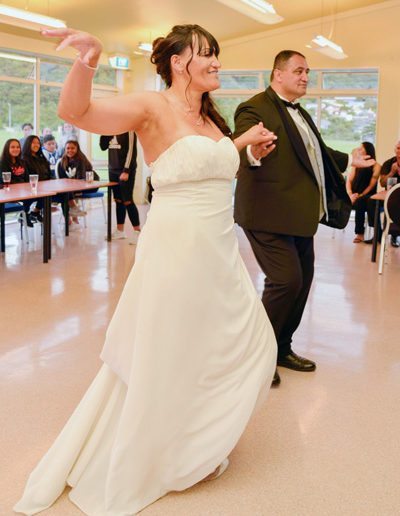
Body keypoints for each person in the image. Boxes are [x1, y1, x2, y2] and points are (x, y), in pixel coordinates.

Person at [14, 24, 277, 516]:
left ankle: (192, 438)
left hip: (219, 252)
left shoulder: (210, 119)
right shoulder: (152, 108)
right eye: (207, 54)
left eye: (217, 54)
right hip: (177, 250)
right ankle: (165, 450)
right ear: (179, 62)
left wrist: (243, 147)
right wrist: (89, 57)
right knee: (170, 348)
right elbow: (76, 113)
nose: (217, 62)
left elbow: (208, 162)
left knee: (247, 346)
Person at [234, 50, 375, 387]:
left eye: (308, 72)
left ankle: (282, 348)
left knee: (302, 282)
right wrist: (254, 151)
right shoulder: (254, 107)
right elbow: (245, 147)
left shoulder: (302, 114)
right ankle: (257, 357)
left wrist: (351, 162)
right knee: (285, 281)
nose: (305, 77)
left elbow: (317, 151)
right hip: (266, 212)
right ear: (277, 74)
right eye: (298, 71)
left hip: (298, 216)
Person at [99, 132, 141, 244]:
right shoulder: (110, 128)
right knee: (118, 201)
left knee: (127, 200)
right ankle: (120, 231)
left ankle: (138, 232)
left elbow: (132, 151)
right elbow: (103, 147)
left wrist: (126, 170)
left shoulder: (129, 129)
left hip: (125, 170)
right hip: (112, 170)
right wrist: (104, 131)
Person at [346, 141, 381, 243]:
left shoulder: (376, 166)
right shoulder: (356, 164)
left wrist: (361, 195)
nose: (359, 150)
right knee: (357, 200)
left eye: (361, 148)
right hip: (353, 193)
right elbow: (349, 180)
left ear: (368, 151)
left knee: (360, 201)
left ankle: (360, 234)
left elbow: (371, 186)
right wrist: (349, 193)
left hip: (367, 194)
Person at [21, 135, 52, 223]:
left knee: (57, 194)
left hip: (45, 187)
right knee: (45, 195)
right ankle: (26, 213)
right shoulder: (24, 159)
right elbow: (26, 178)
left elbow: (48, 173)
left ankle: (35, 212)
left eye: (38, 143)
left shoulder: (41, 158)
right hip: (30, 189)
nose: (36, 145)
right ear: (28, 144)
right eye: (33, 142)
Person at [378, 140, 400, 247]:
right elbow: (382, 183)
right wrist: (392, 172)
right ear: (395, 150)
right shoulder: (388, 163)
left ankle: (395, 235)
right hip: (390, 196)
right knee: (372, 203)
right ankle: (379, 234)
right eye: (398, 148)